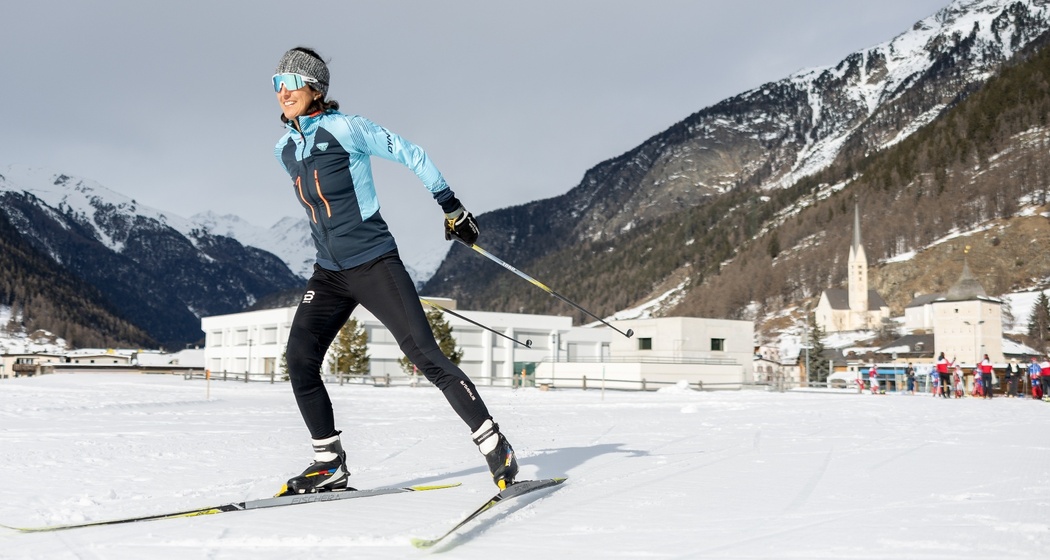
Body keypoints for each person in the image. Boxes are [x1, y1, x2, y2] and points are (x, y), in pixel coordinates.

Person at [270, 47, 517, 495]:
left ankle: (494, 442)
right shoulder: (284, 147)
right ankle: (328, 463)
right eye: (276, 83)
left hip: (374, 262)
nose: (282, 91)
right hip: (329, 274)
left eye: (291, 82)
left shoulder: (347, 128)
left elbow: (413, 155)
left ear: (316, 89)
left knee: (425, 355)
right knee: (300, 359)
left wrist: (452, 207)